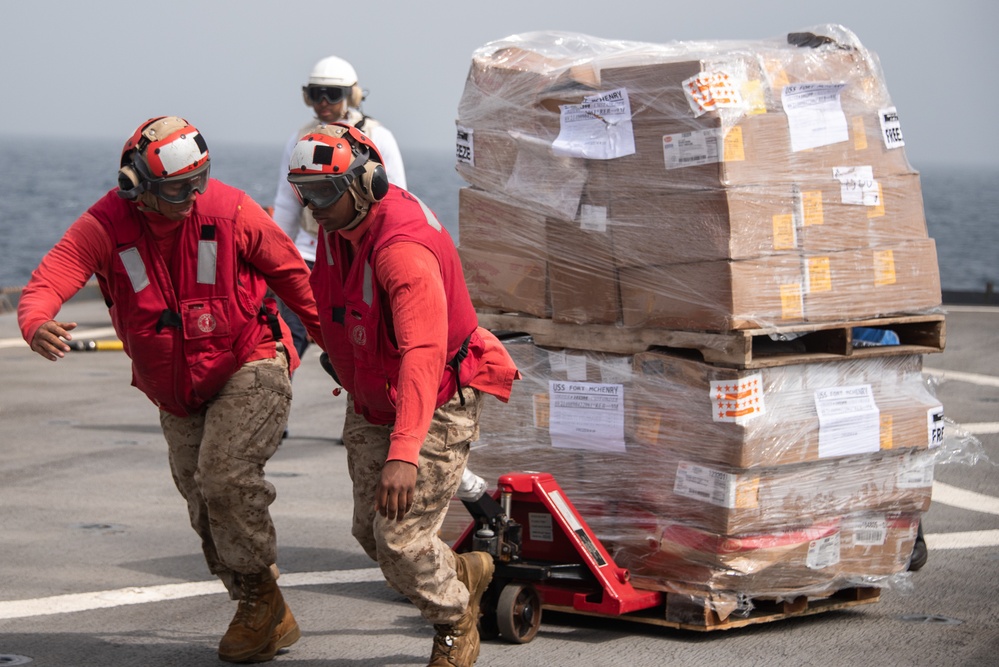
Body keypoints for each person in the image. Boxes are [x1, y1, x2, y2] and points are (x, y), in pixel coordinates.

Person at [18, 116, 325, 664]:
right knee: (201, 499)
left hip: (248, 359)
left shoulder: (228, 210)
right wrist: (36, 320)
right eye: (179, 187)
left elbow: (296, 279)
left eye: (199, 180)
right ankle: (265, 604)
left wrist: (347, 356)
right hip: (176, 389)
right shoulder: (106, 224)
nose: (192, 196)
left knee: (225, 478)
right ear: (136, 185)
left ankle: (257, 602)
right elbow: (53, 274)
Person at [286, 123, 519, 666]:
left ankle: (457, 623)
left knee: (401, 542)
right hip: (373, 397)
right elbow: (332, 301)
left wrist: (404, 452)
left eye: (323, 193)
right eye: (305, 192)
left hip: (432, 400)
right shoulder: (338, 224)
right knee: (371, 533)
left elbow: (422, 355)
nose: (313, 207)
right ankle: (464, 575)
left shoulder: (402, 251)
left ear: (365, 182)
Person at [271, 55, 407, 362]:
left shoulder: (376, 138)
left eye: (332, 94)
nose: (322, 102)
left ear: (351, 95)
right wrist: (273, 260)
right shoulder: (300, 139)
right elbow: (287, 202)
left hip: (361, 255)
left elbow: (397, 198)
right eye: (315, 93)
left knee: (365, 337)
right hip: (309, 253)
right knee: (288, 334)